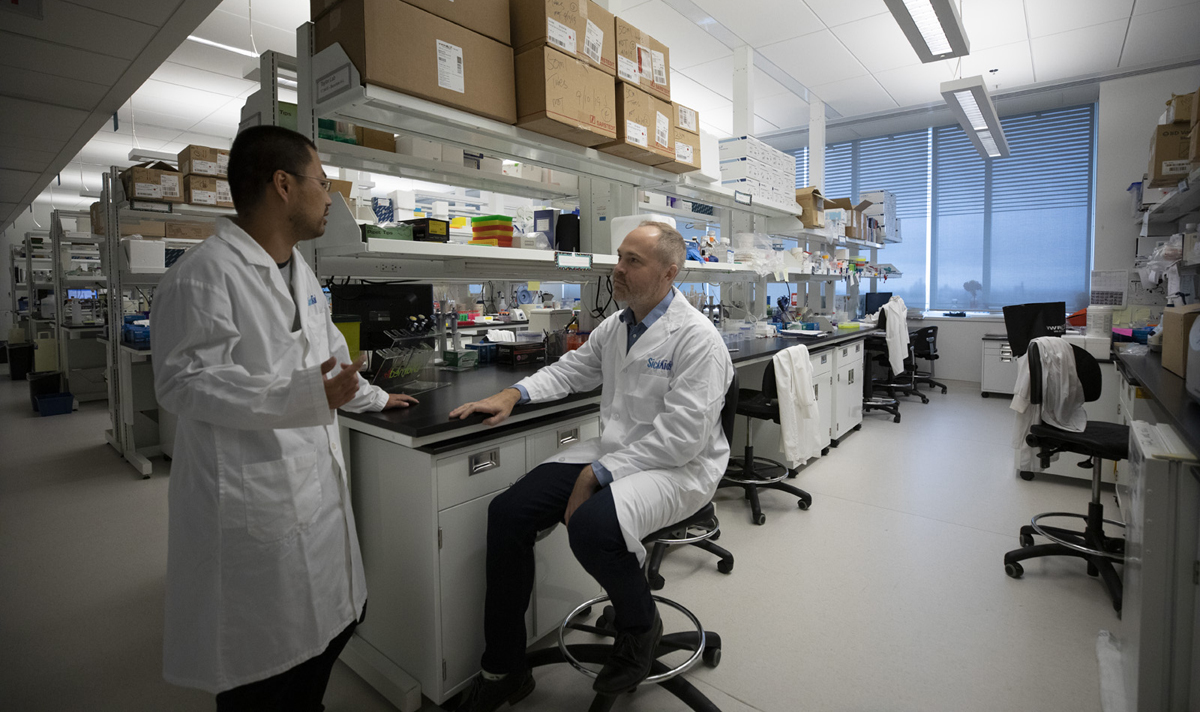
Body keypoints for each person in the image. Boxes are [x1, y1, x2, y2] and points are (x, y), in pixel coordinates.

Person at [151, 125, 418, 711]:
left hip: (311, 485)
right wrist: (300, 396)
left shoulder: (299, 270)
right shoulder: (202, 275)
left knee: (329, 632)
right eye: (322, 182)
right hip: (251, 491)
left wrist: (374, 398)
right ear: (283, 185)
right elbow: (182, 383)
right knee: (261, 667)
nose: (331, 197)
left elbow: (331, 362)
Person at [448, 222, 733, 711]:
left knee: (591, 525)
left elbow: (681, 439)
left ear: (669, 274)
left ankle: (641, 625)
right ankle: (504, 668)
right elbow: (572, 370)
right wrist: (514, 393)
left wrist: (594, 474)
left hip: (680, 468)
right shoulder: (619, 324)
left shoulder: (697, 339)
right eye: (619, 257)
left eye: (633, 261)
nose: (617, 269)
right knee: (508, 513)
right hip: (620, 450)